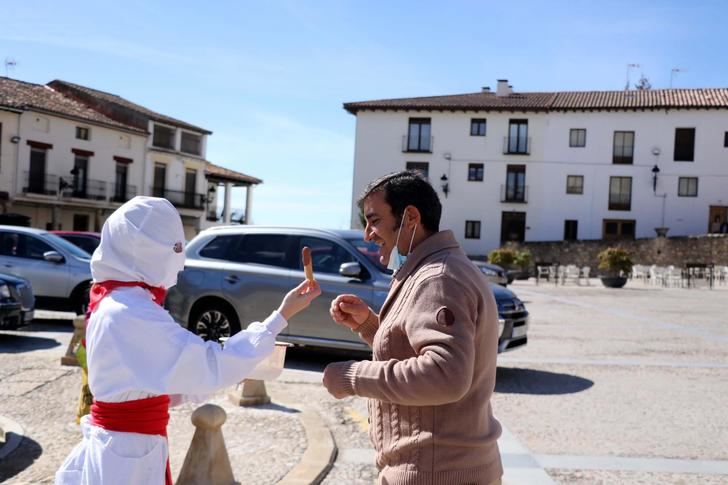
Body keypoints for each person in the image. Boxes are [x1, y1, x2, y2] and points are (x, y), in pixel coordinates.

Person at [55, 196, 320, 485]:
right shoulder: (130, 311)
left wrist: (227, 372)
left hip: (125, 445)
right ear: (146, 253)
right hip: (127, 452)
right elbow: (206, 363)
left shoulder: (117, 300)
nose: (179, 263)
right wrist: (279, 318)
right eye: (174, 250)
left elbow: (157, 381)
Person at [322, 171, 503, 485]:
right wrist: (368, 325)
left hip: (436, 473)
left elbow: (445, 375)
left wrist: (352, 377)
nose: (367, 233)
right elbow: (413, 349)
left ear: (410, 217)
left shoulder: (437, 277)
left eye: (374, 220)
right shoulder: (432, 269)